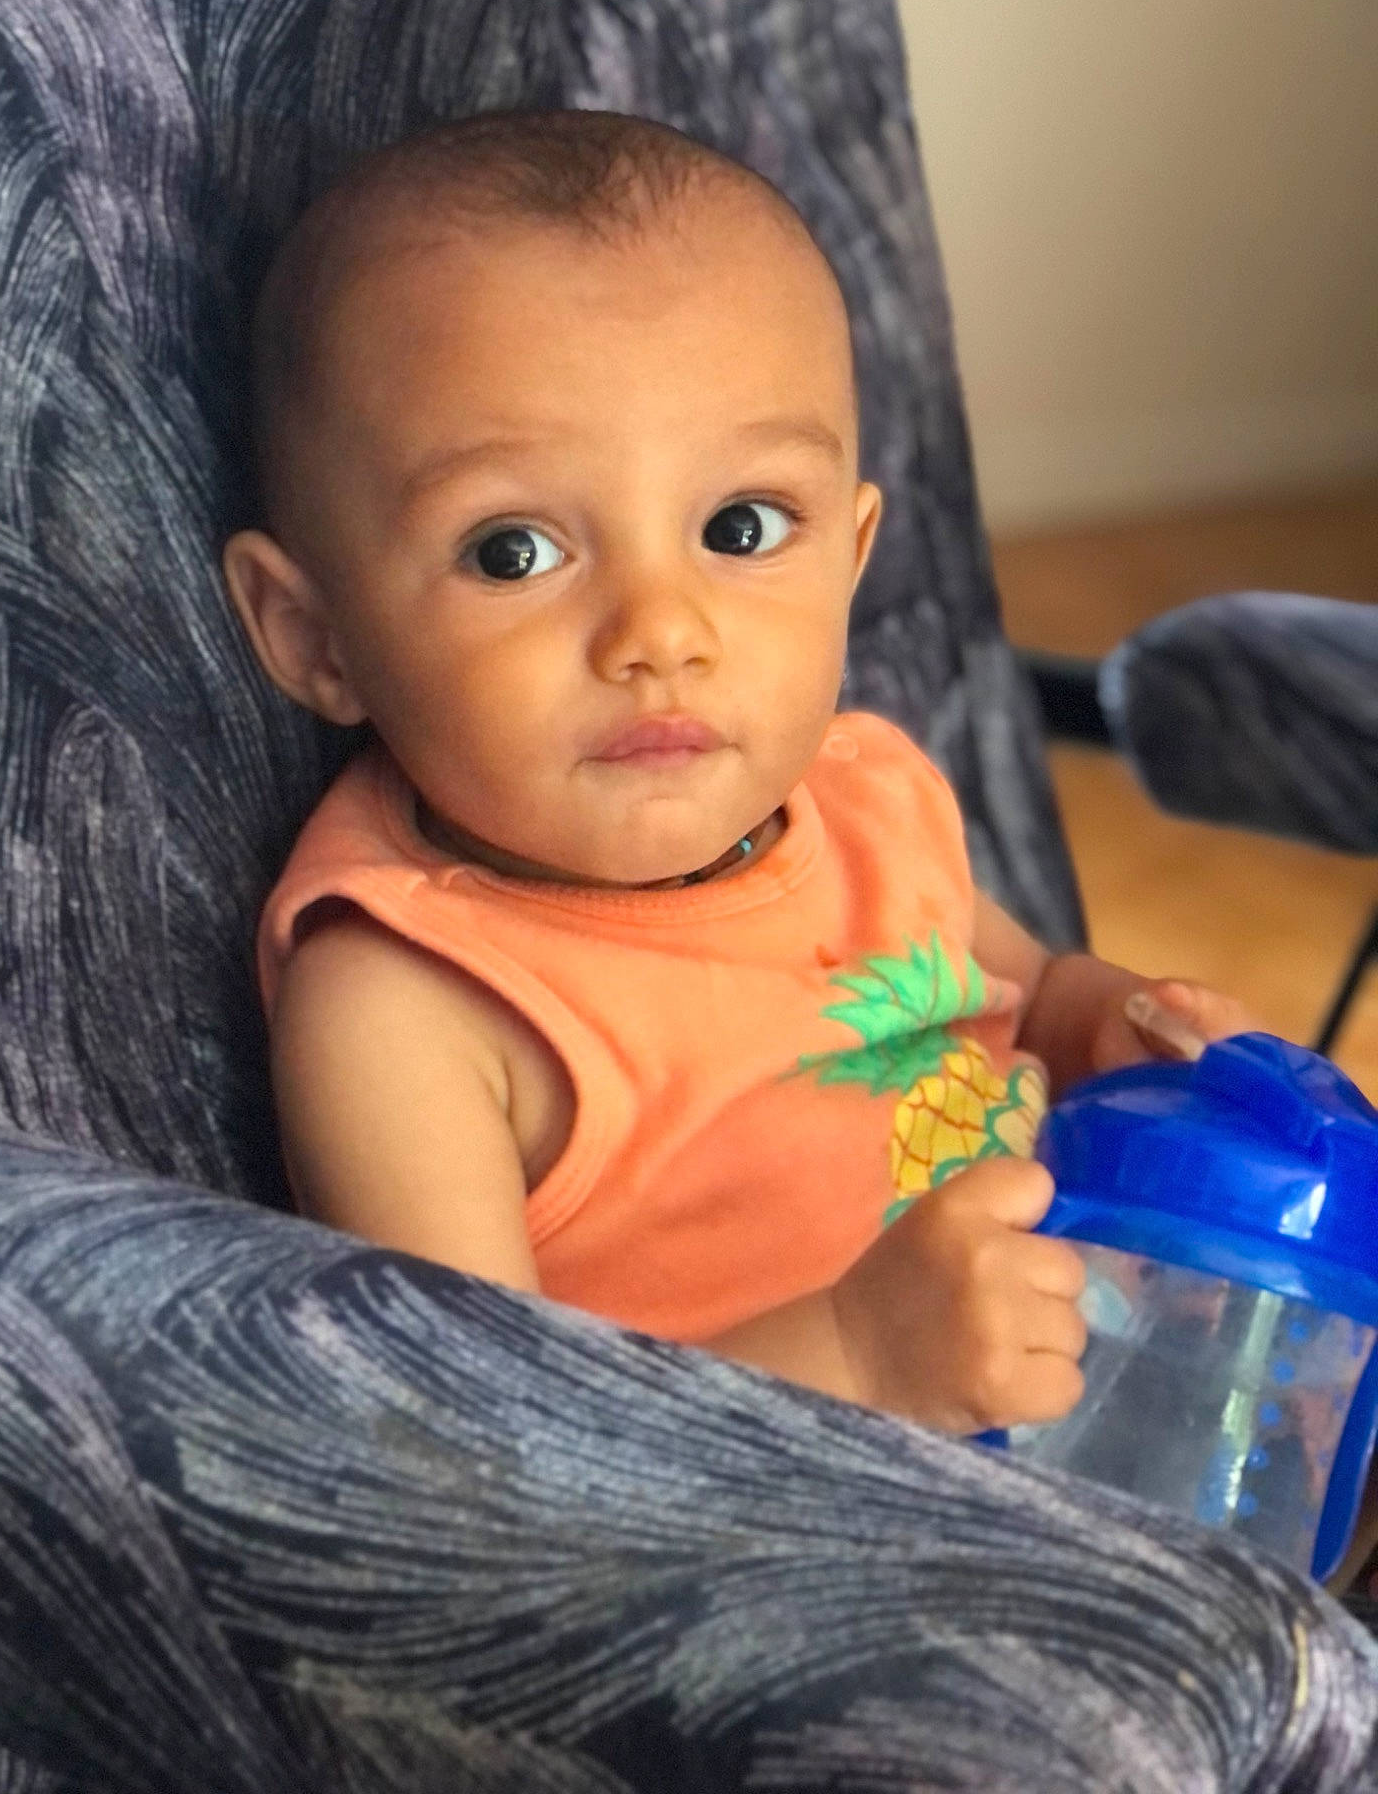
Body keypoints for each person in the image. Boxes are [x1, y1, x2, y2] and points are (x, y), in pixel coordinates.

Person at [223, 108, 1253, 1437]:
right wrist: (858, 1353)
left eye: (743, 526)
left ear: (852, 557)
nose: (661, 632)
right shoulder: (408, 1005)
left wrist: (1116, 1031)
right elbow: (482, 1452)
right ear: (315, 637)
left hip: (1101, 1427)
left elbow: (1032, 997)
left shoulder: (868, 799)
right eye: (513, 552)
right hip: (799, 1542)